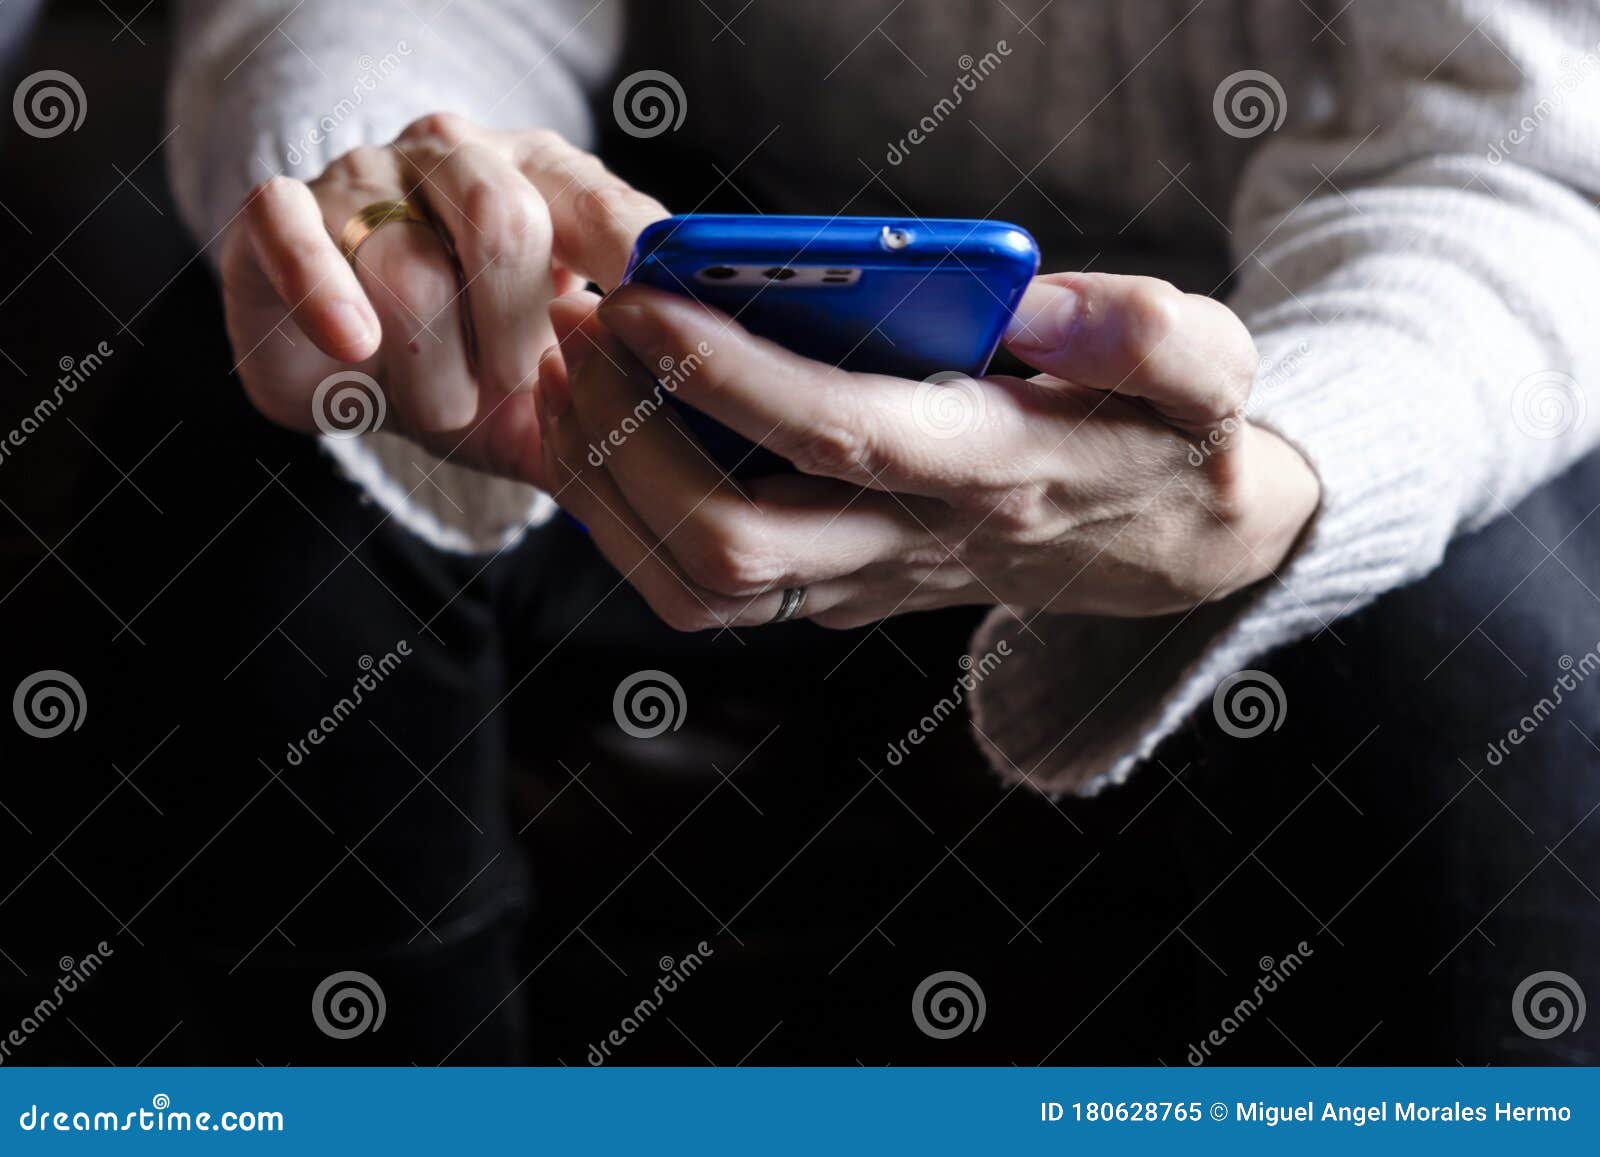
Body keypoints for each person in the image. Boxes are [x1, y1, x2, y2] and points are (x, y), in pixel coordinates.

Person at [142, 0, 1600, 1060]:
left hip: (1307, 324)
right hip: (694, 249)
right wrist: (393, 206)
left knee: (1467, 643)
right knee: (273, 461)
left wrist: (1286, 468)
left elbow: (1525, 149)